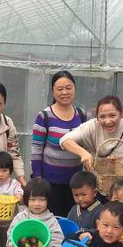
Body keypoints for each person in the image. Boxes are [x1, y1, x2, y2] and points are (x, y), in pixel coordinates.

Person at [31, 71, 87, 216]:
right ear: (53, 91)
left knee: (72, 220)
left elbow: (86, 146)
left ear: (74, 88)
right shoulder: (44, 116)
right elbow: (36, 150)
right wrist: (38, 179)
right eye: (59, 89)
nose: (64, 92)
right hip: (50, 183)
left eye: (68, 88)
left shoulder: (81, 115)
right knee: (52, 220)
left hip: (75, 184)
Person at [60, 95, 123, 177]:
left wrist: (121, 167)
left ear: (121, 114)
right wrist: (83, 153)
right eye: (102, 116)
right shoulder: (92, 126)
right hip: (97, 179)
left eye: (112, 115)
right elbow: (64, 140)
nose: (107, 121)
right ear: (97, 117)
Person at [7, 178, 64, 247]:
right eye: (32, 199)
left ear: (48, 200)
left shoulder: (51, 220)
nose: (37, 204)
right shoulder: (21, 217)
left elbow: (58, 241)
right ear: (27, 200)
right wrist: (12, 246)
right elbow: (11, 234)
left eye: (42, 199)